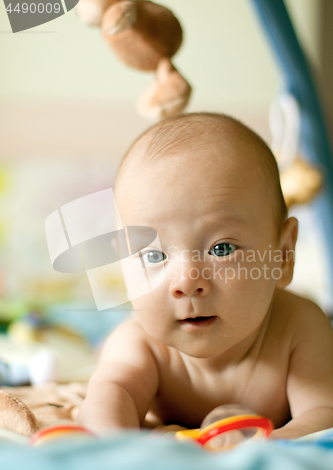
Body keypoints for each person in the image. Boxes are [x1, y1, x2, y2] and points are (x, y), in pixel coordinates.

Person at [76, 112, 333, 439]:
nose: (186, 282)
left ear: (282, 256)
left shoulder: (300, 328)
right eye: (154, 255)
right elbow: (107, 404)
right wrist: (117, 442)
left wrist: (260, 447)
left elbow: (323, 417)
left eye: (222, 249)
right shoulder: (140, 344)